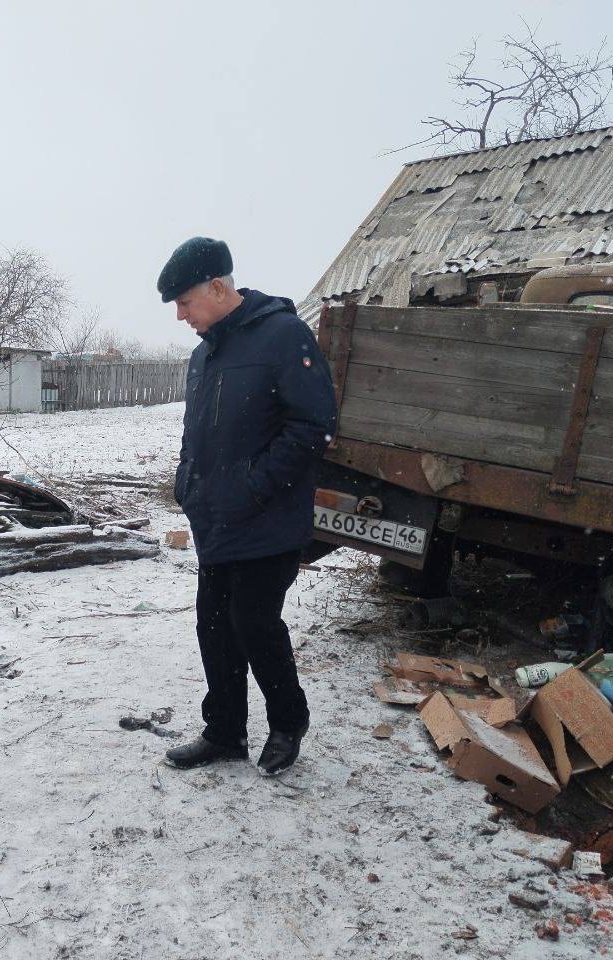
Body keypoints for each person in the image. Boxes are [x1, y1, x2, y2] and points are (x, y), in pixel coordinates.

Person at [158, 237, 337, 776]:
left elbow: (313, 426)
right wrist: (187, 482)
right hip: (215, 519)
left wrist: (254, 488)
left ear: (218, 287)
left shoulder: (283, 335)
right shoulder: (203, 354)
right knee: (213, 626)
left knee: (254, 623)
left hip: (268, 518)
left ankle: (288, 723)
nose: (181, 316)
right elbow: (196, 433)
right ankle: (225, 732)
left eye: (185, 302)